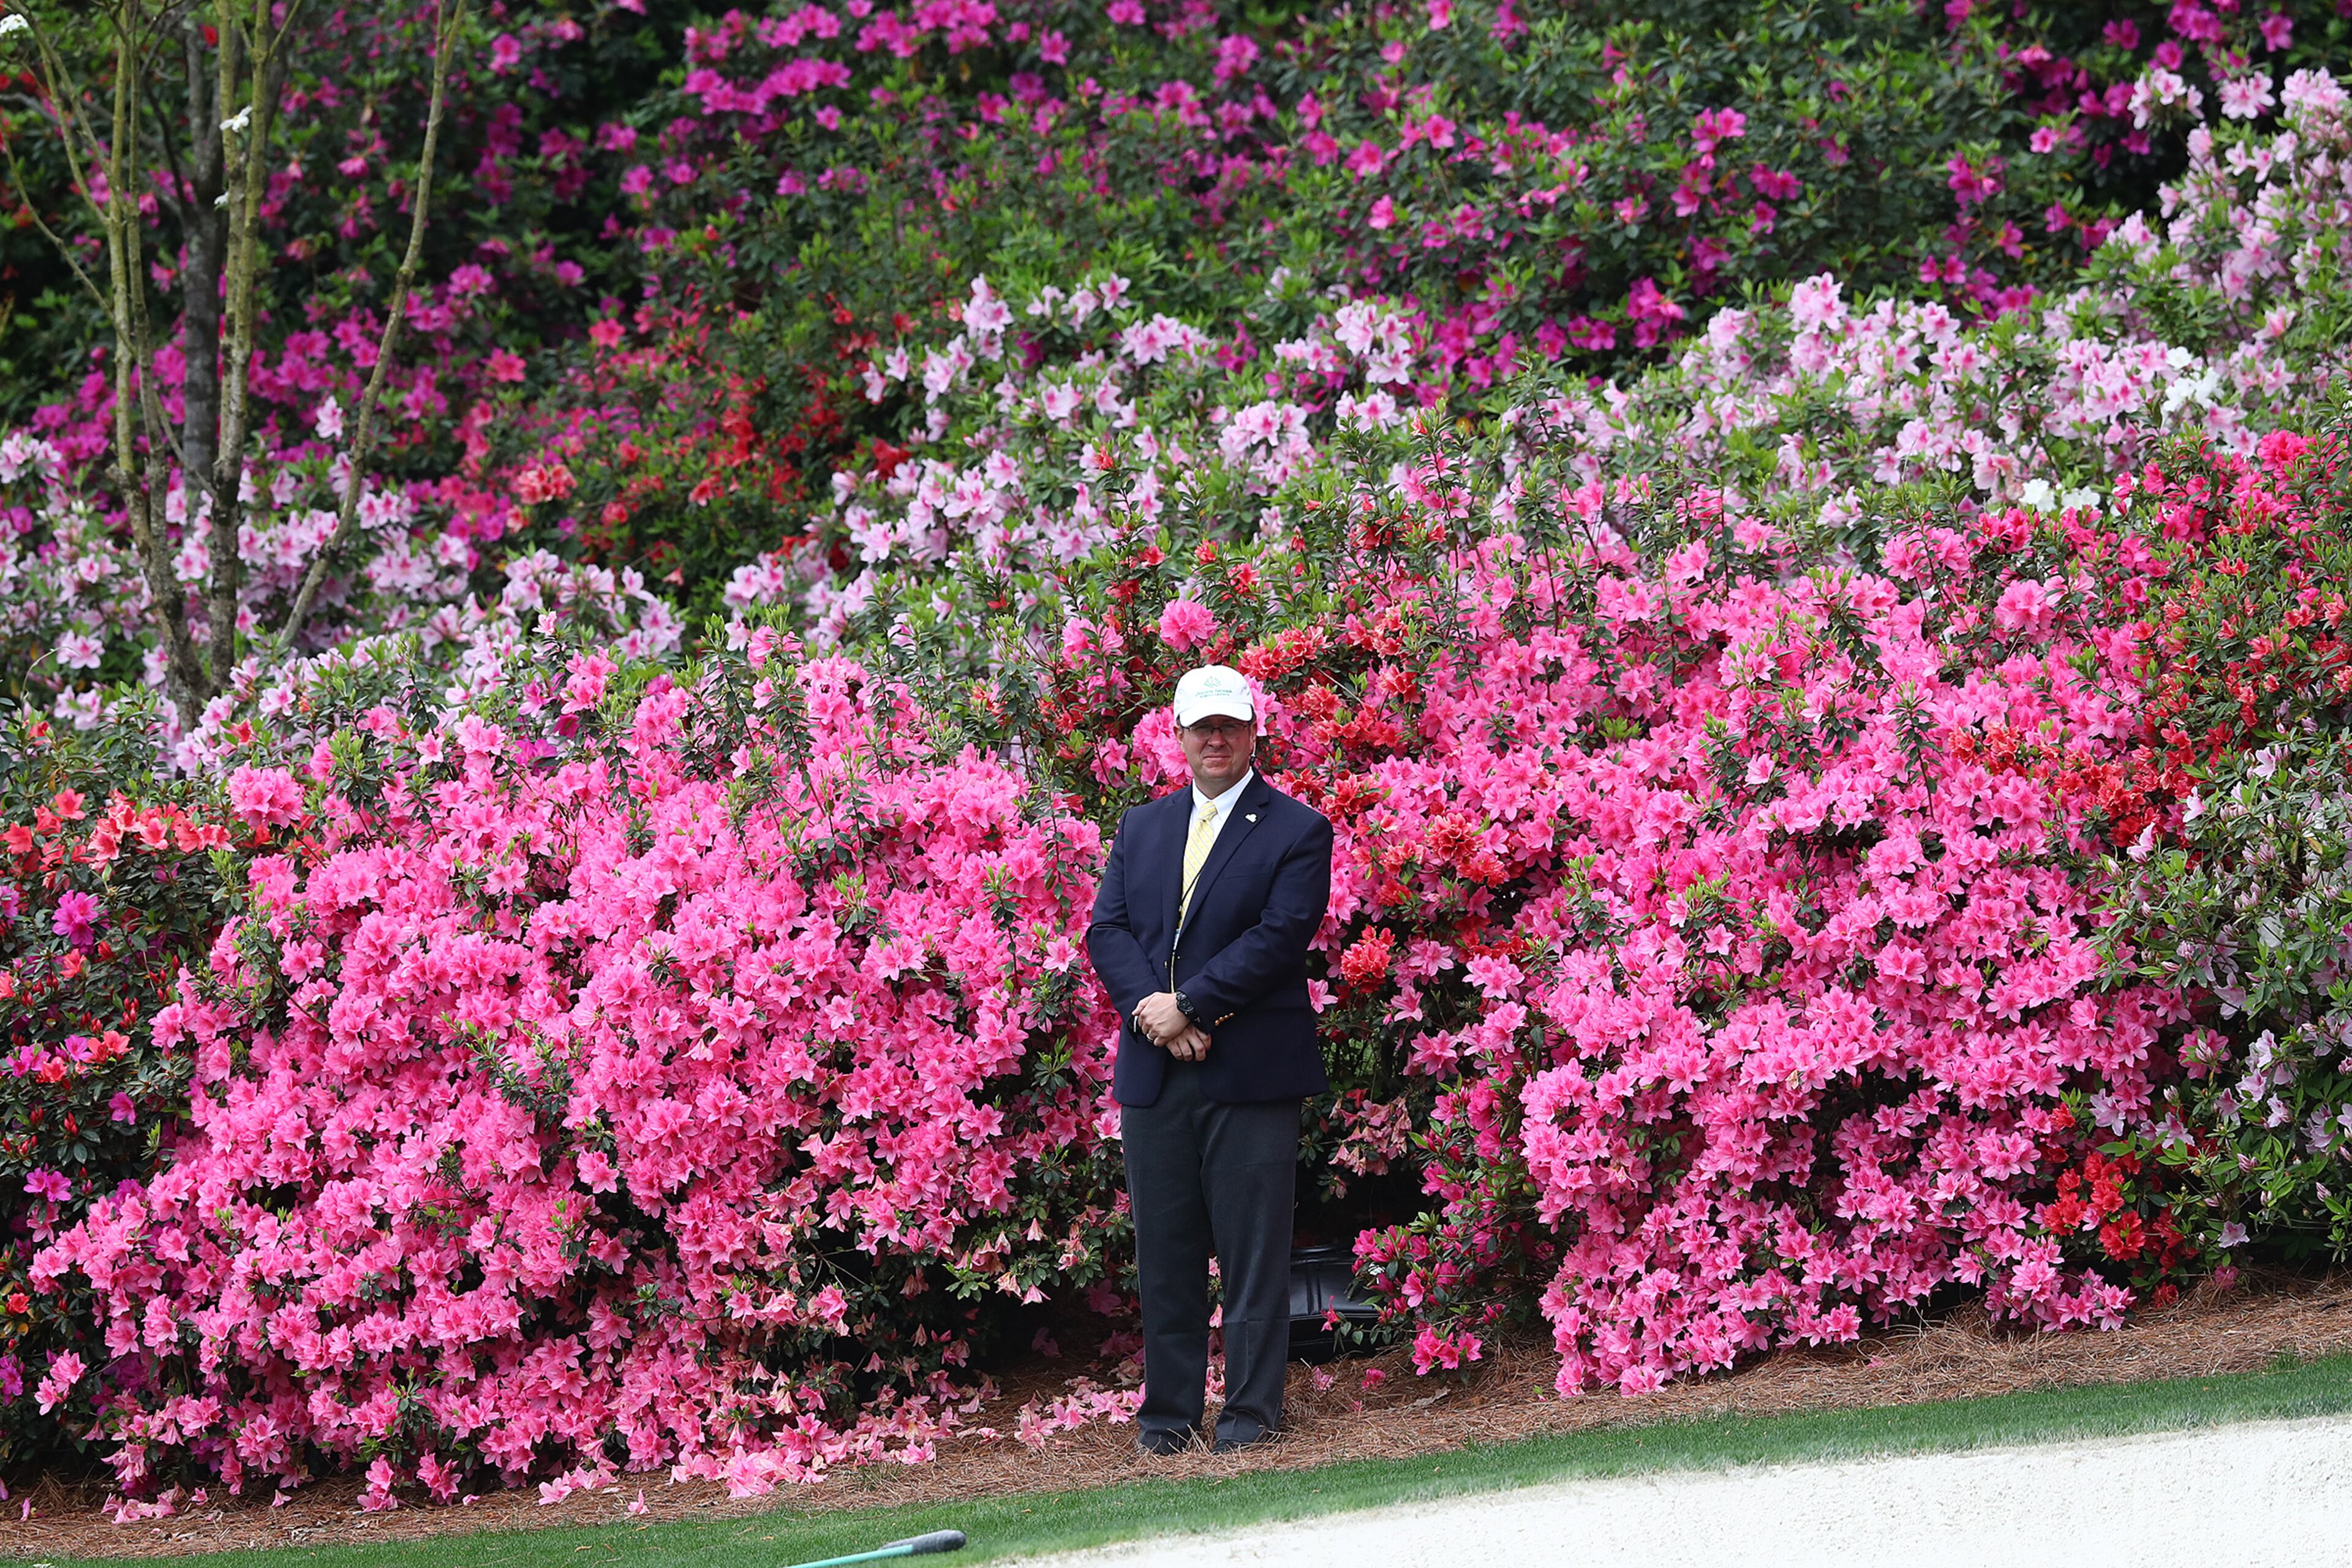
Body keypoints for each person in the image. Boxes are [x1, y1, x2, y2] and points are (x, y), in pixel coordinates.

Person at [1086, 663, 1335, 1455]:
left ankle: (1250, 1420)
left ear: (1255, 731)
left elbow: (1278, 938)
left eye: (1230, 724)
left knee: (1254, 1256)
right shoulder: (1142, 827)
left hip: (1250, 1074)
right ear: (1181, 736)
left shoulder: (1297, 829)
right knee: (1166, 1254)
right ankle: (1167, 1421)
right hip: (1158, 1073)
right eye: (1202, 726)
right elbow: (1109, 933)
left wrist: (1190, 1005)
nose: (1216, 738)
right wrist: (1155, 1018)